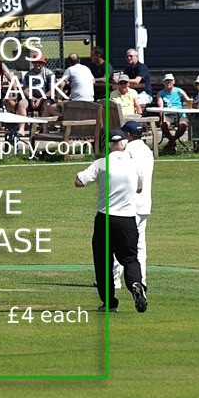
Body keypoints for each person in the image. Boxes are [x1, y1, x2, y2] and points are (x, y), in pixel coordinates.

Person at [75, 128, 147, 313]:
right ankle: (135, 285)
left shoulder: (101, 163)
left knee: (103, 261)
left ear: (108, 145)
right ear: (124, 144)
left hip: (105, 217)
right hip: (128, 219)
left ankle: (109, 302)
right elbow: (139, 188)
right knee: (130, 259)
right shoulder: (134, 164)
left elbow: (79, 182)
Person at [112, 120, 154, 291]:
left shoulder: (128, 151)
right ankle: (140, 280)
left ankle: (114, 280)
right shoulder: (147, 151)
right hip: (144, 204)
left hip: (127, 205)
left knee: (117, 242)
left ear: (128, 135)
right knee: (139, 245)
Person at [156, 73, 191, 153]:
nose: (168, 82)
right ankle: (172, 142)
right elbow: (160, 108)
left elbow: (188, 101)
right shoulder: (160, 94)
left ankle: (171, 142)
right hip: (167, 114)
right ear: (163, 82)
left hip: (180, 114)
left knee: (183, 125)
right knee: (164, 124)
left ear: (174, 82)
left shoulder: (179, 91)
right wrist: (162, 117)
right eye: (166, 81)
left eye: (170, 80)